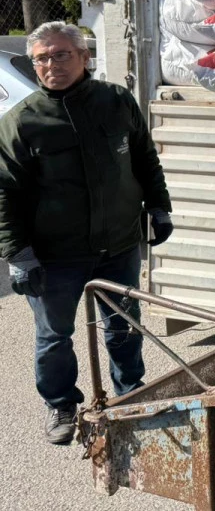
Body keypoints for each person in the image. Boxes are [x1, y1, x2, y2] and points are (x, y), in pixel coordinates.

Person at [0, 22, 173, 445]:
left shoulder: (114, 101)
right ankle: (60, 403)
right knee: (54, 335)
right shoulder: (22, 122)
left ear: (84, 58)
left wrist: (160, 205)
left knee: (123, 325)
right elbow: (5, 193)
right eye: (41, 58)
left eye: (61, 54)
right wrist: (17, 254)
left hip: (117, 244)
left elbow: (144, 156)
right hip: (54, 254)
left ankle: (131, 393)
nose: (50, 64)